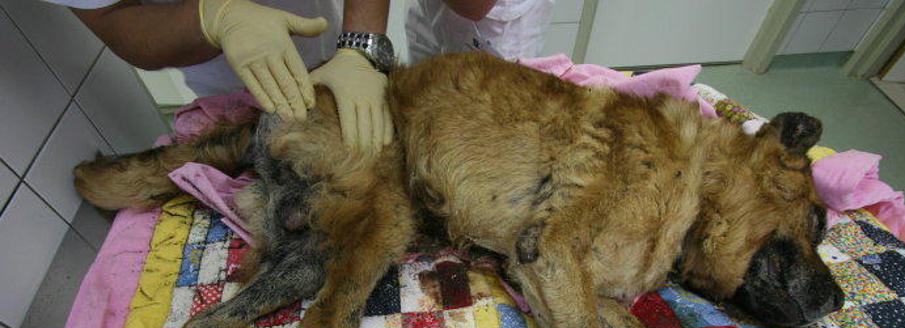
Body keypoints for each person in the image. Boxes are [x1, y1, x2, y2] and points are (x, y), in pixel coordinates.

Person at [50, 0, 552, 151]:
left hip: (318, 24)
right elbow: (116, 20)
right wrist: (213, 17)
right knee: (261, 139)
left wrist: (360, 47)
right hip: (207, 51)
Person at [405, 0, 553, 64]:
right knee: (420, 100)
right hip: (431, 11)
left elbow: (476, 7)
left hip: (494, 22)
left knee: (487, 110)